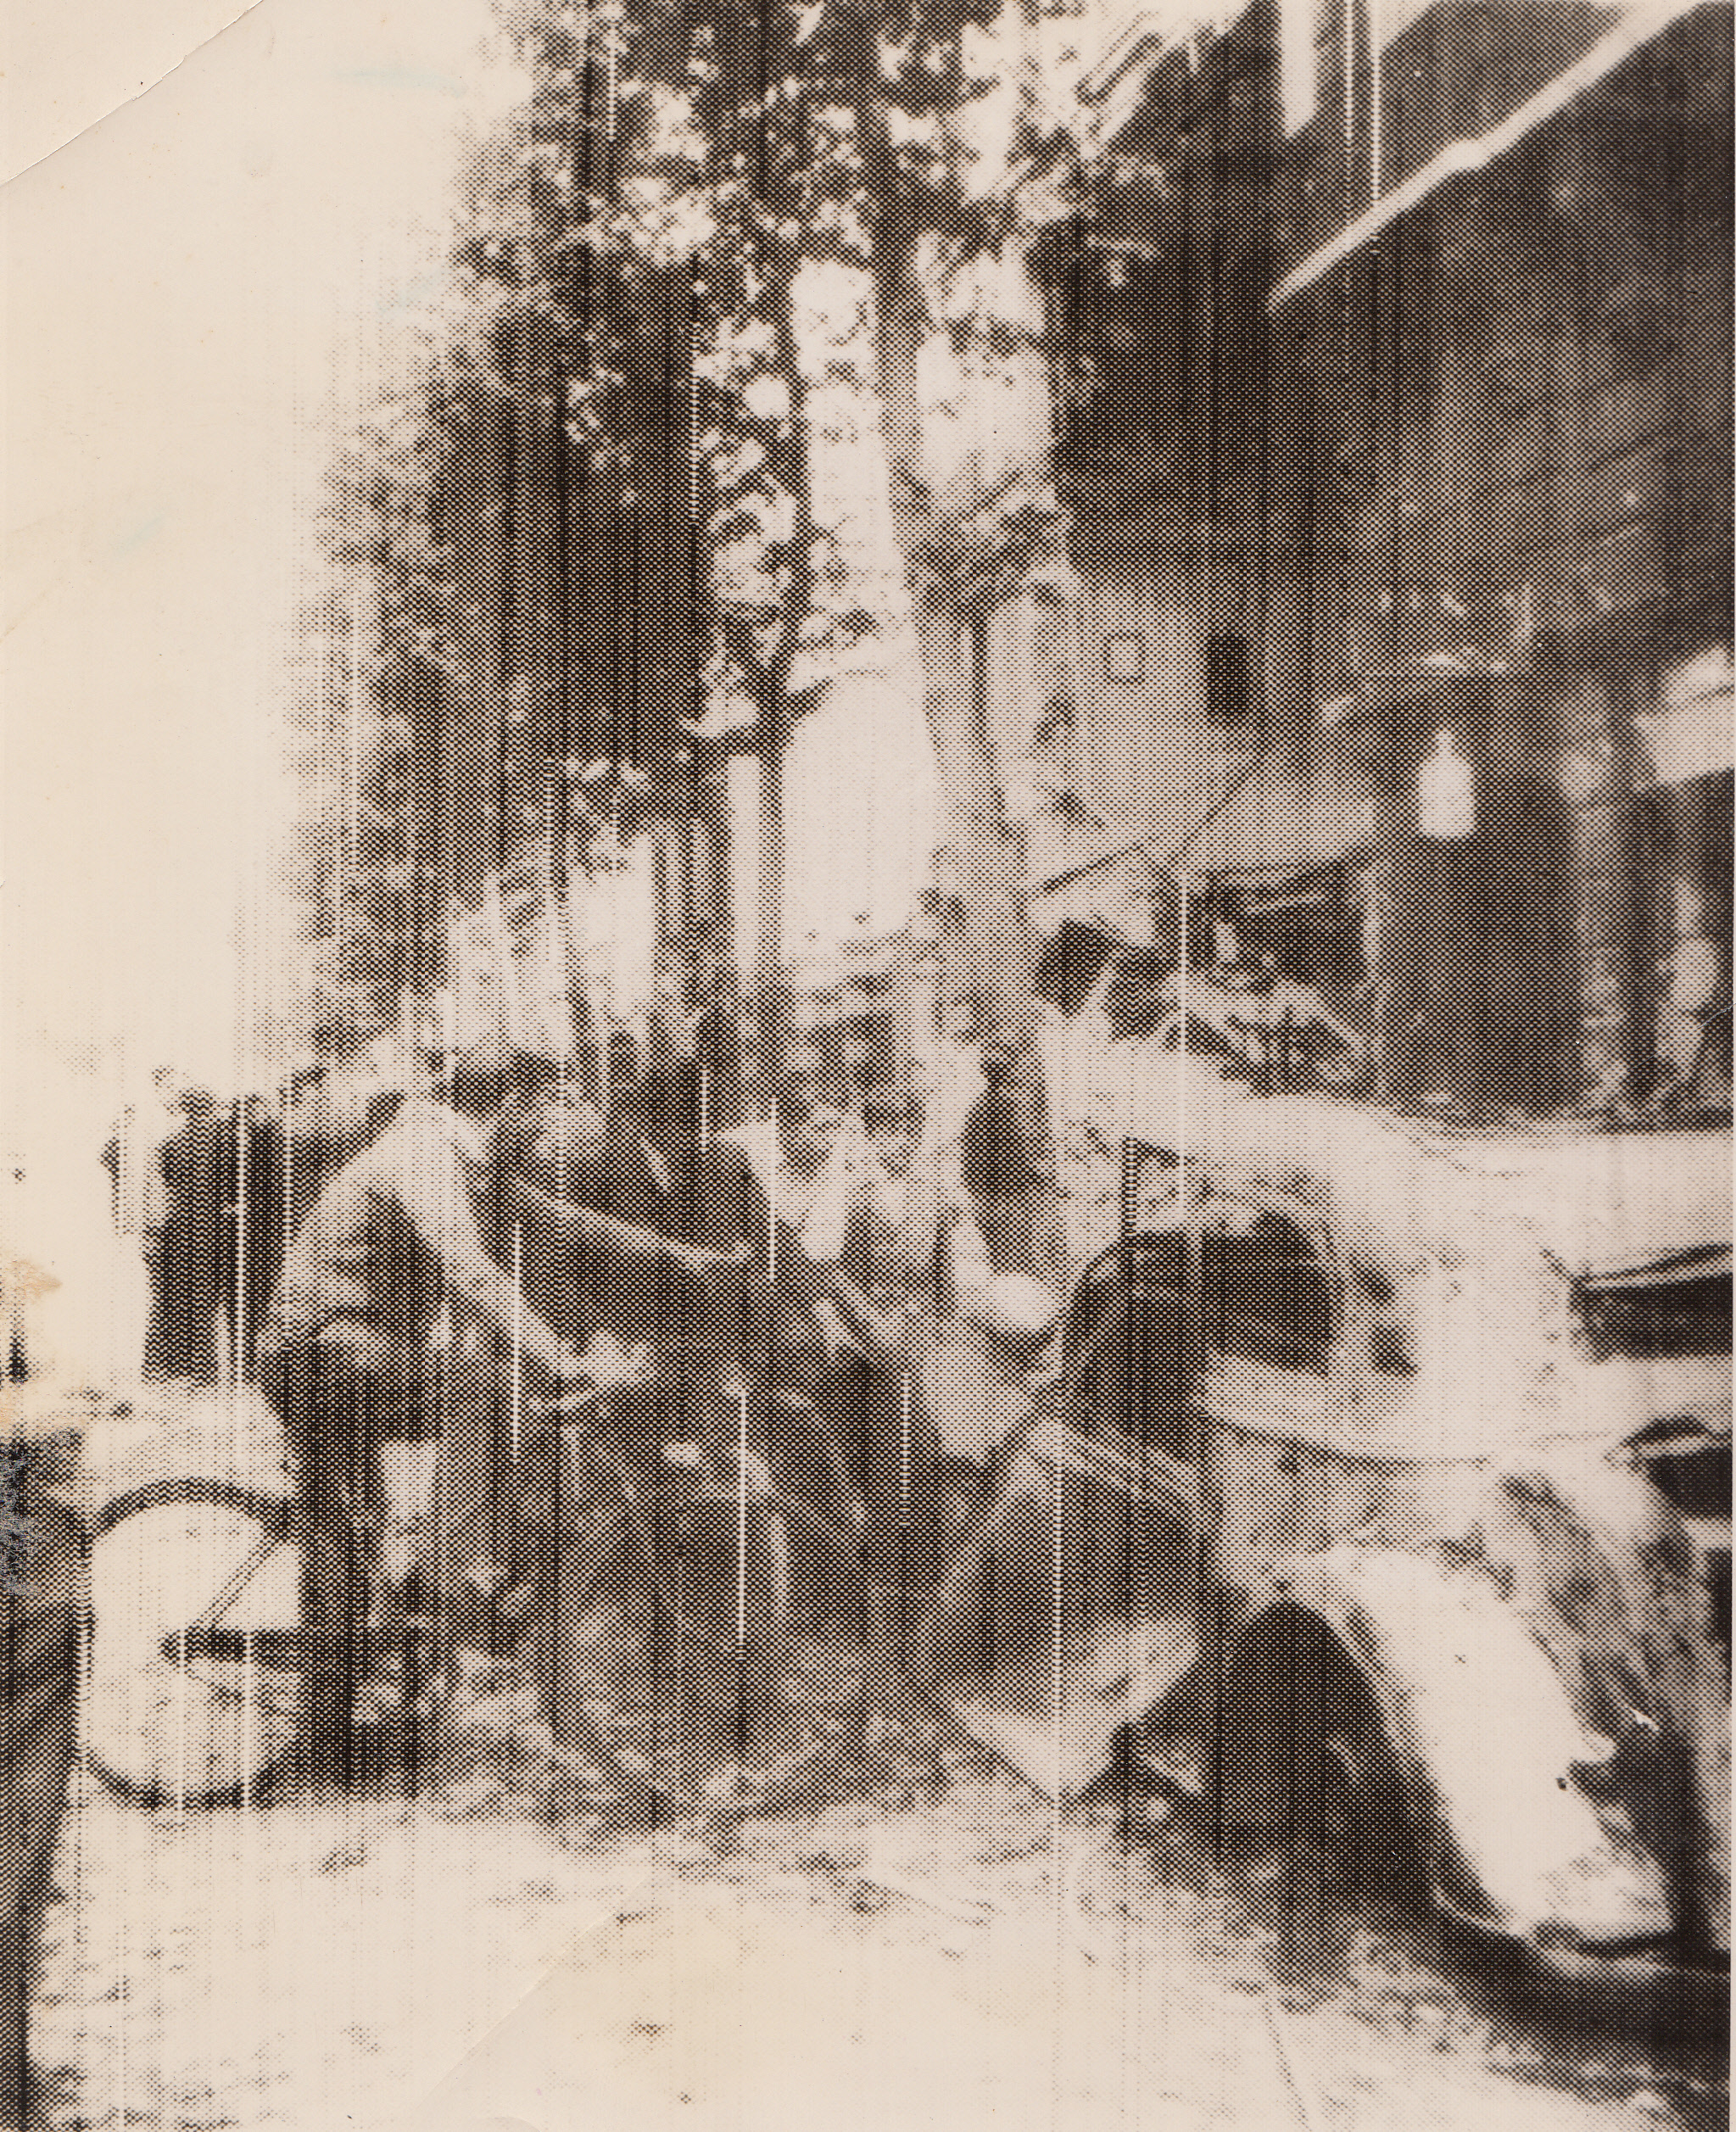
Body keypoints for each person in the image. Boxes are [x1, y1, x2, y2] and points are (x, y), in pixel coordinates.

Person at [144, 1085, 226, 1384]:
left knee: (178, 1296)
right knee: (205, 1300)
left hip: (178, 1224)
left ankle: (176, 1365)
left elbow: (166, 1182)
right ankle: (203, 1368)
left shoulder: (172, 1142)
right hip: (211, 1227)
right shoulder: (225, 1141)